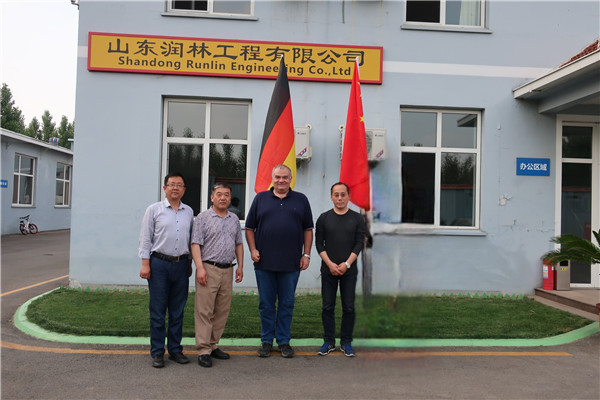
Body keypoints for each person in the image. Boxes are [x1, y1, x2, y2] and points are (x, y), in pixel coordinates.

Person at [245, 164, 313, 358]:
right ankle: (266, 341)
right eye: (277, 177)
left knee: (287, 304)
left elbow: (308, 229)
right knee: (266, 304)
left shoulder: (301, 199)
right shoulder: (260, 199)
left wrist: (306, 255)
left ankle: (283, 341)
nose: (281, 180)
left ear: (290, 179)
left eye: (284, 177)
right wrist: (253, 249)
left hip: (291, 264)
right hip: (264, 263)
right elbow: (249, 228)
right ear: (272, 178)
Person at [139, 172, 194, 368]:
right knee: (158, 310)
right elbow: (145, 238)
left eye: (179, 185)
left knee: (177, 311)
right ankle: (157, 352)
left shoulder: (189, 211)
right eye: (172, 184)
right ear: (165, 188)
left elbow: (190, 239)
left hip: (181, 265)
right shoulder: (154, 210)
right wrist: (145, 263)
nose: (175, 188)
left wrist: (189, 263)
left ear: (184, 189)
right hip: (159, 264)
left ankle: (175, 350)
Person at [191, 182, 244, 368]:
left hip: (228, 269)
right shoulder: (203, 218)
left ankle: (213, 345)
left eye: (226, 195)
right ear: (212, 197)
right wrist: (200, 268)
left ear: (230, 198)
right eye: (219, 194)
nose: (223, 198)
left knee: (222, 310)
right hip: (209, 268)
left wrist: (240, 267)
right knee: (204, 310)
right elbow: (195, 243)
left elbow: (239, 243)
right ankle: (203, 349)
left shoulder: (234, 219)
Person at [315, 182, 366, 357]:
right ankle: (329, 342)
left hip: (349, 271)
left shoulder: (358, 219)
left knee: (349, 307)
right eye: (336, 195)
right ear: (331, 197)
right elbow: (319, 244)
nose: (339, 198)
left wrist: (347, 264)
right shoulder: (323, 218)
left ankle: (346, 342)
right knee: (327, 306)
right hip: (328, 269)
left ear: (349, 197)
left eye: (343, 194)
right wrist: (330, 264)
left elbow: (359, 243)